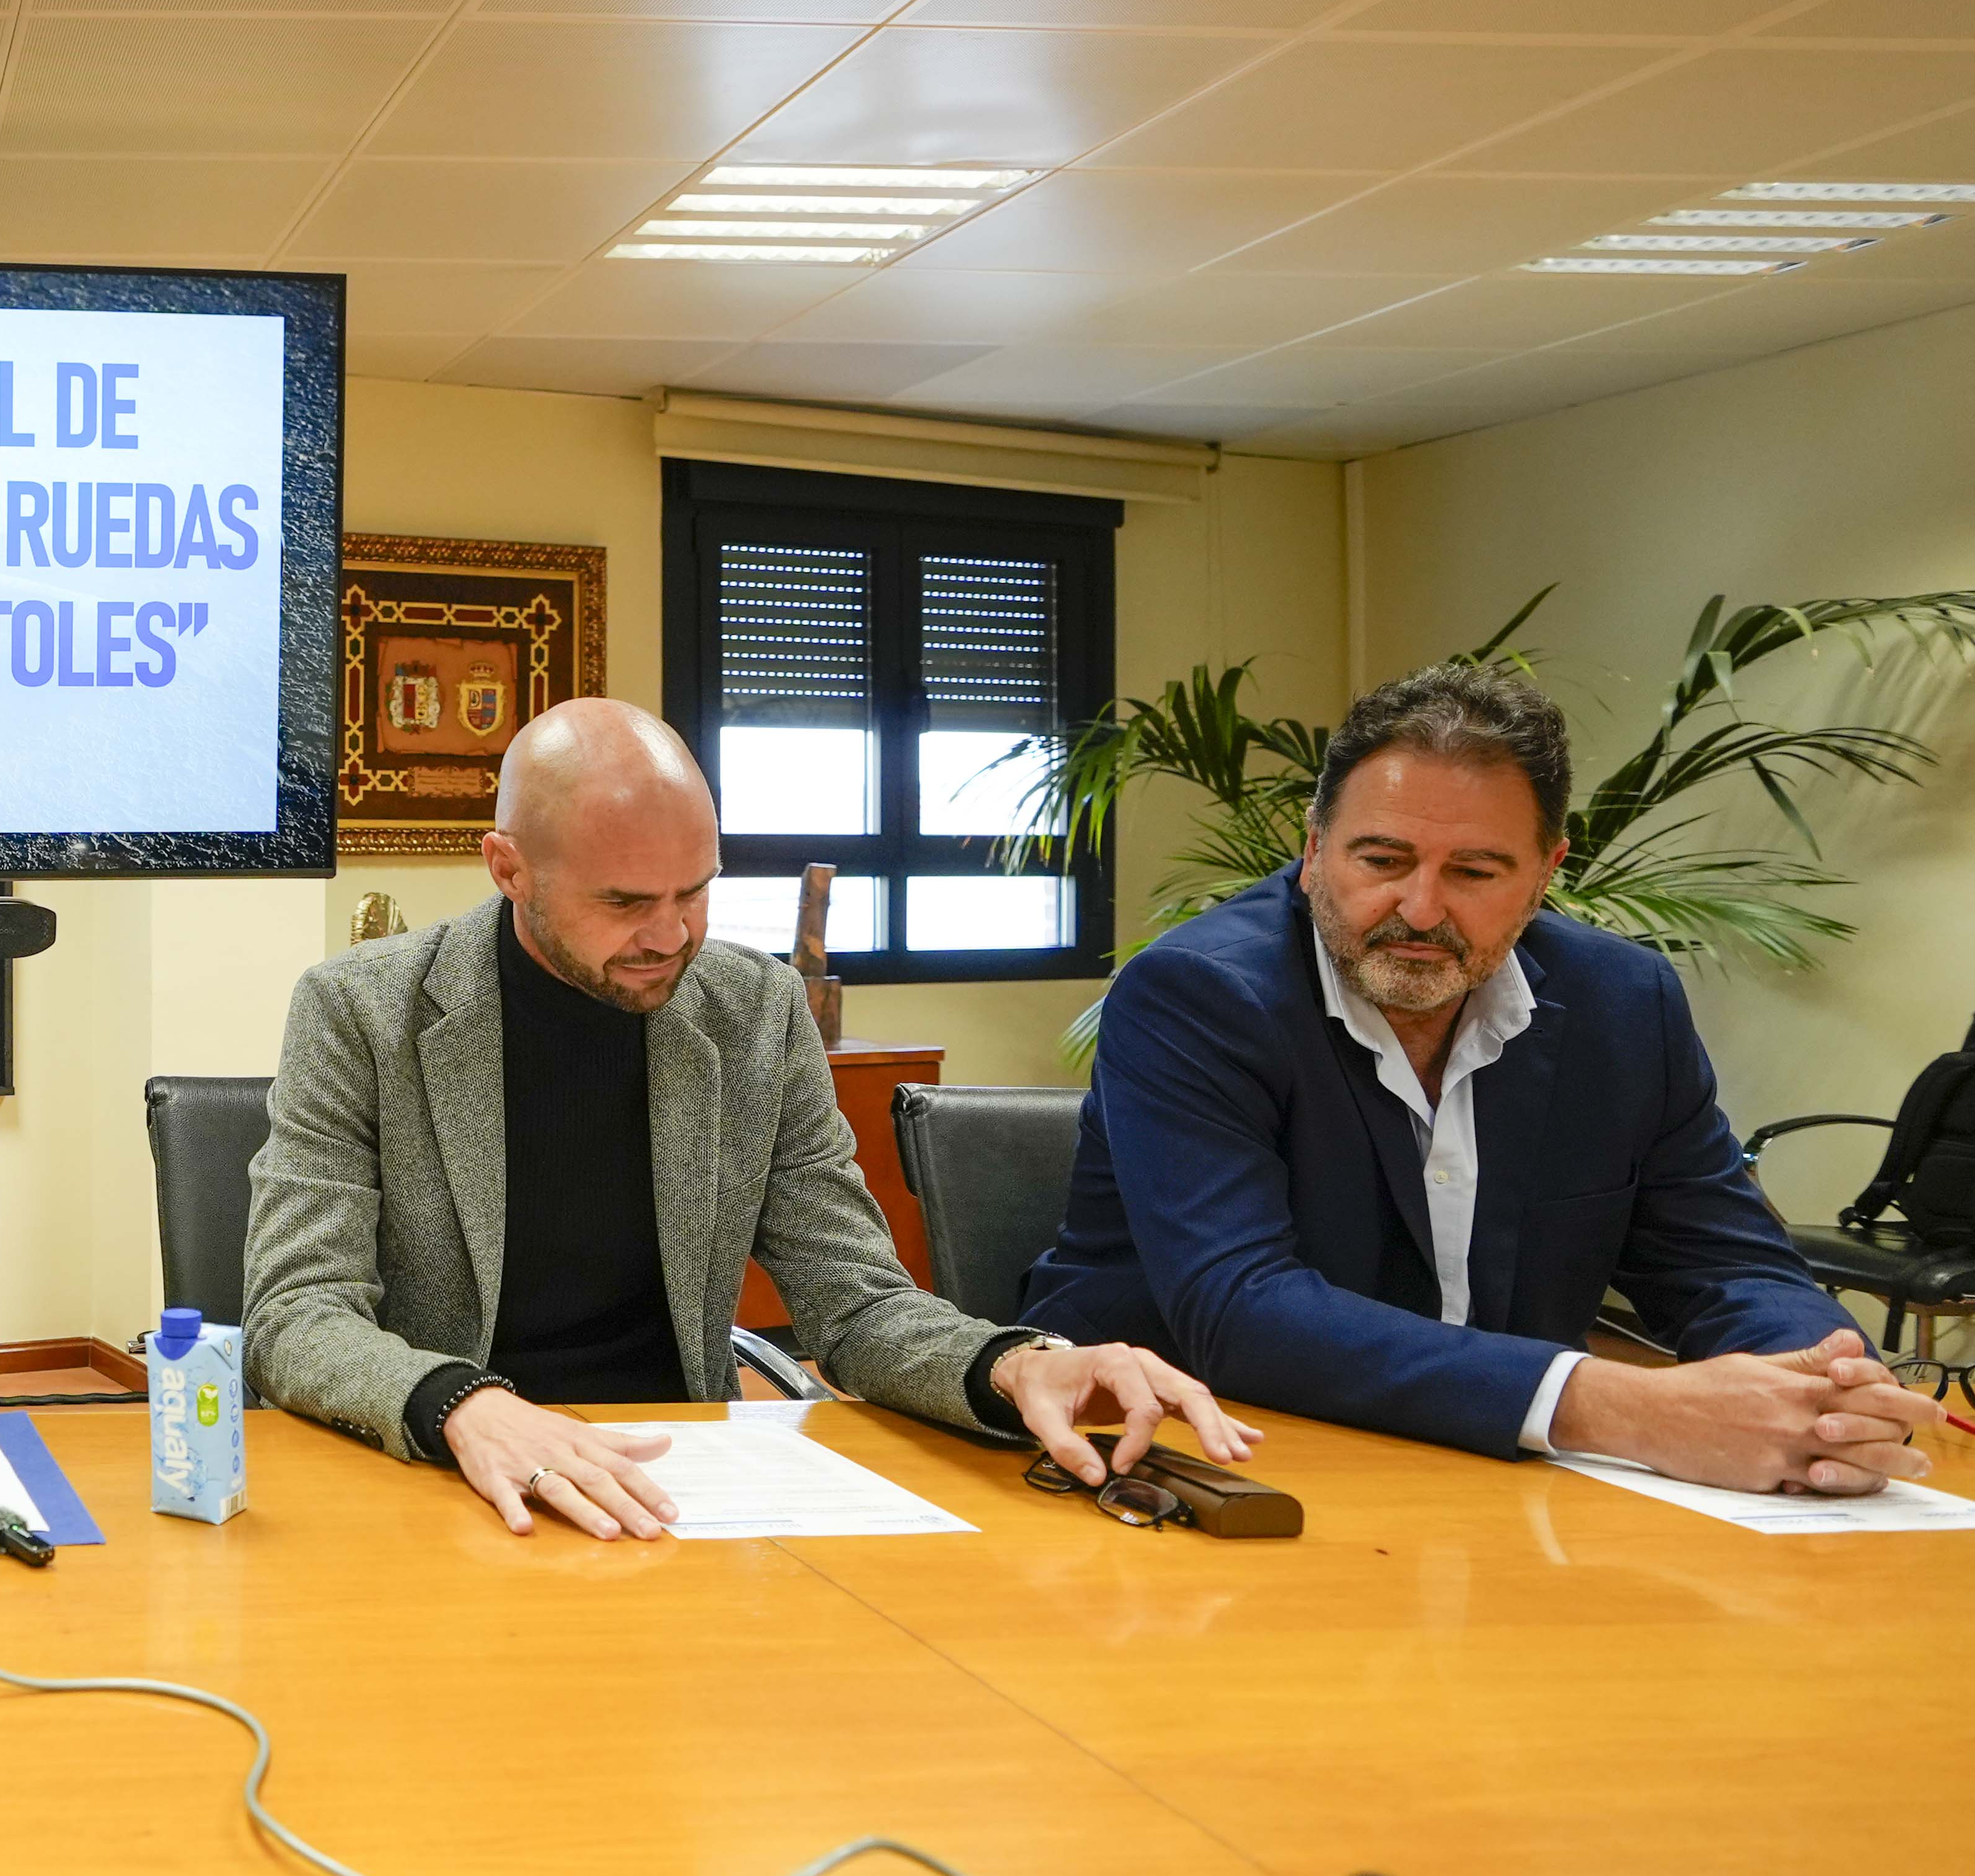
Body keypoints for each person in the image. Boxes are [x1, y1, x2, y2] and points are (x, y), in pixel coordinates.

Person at [243, 699, 1247, 1539]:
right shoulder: (362, 1013)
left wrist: (1015, 1366)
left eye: (697, 891)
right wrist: (468, 1406)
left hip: (674, 1481)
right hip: (435, 1475)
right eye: (625, 901)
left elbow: (857, 1305)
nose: (672, 934)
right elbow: (296, 1314)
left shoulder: (755, 1010)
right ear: (508, 869)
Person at [1021, 659, 1937, 1492]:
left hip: (1496, 1473)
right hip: (1202, 1460)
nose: (1420, 909)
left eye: (1474, 872)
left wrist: (1828, 1390)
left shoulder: (1624, 1004)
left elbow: (1725, 1260)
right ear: (1313, 851)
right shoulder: (1197, 994)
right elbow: (1239, 1310)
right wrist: (1620, 1407)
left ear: (1545, 874)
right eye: (1383, 861)